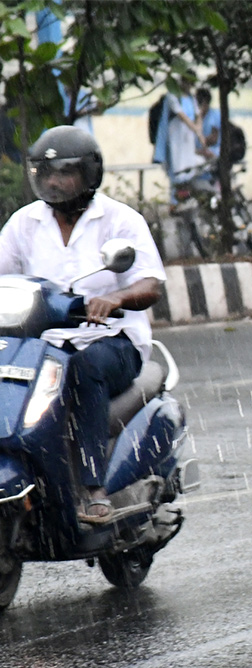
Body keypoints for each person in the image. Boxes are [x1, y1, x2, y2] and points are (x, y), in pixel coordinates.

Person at [0, 125, 166, 525]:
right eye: (46, 172)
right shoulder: (25, 223)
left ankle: (93, 486)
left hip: (112, 340)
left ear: (89, 175)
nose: (54, 181)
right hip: (43, 341)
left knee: (85, 368)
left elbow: (150, 283)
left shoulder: (120, 220)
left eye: (65, 172)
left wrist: (116, 298)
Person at [152, 73, 205, 208]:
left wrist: (199, 131)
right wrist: (196, 129)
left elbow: (197, 115)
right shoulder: (173, 96)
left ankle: (186, 200)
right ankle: (175, 203)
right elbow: (183, 117)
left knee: (190, 169)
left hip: (188, 140)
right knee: (177, 170)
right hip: (176, 139)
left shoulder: (192, 98)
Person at [196, 87, 221, 162]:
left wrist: (202, 142)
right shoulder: (194, 116)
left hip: (213, 150)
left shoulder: (215, 114)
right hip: (198, 150)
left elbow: (214, 139)